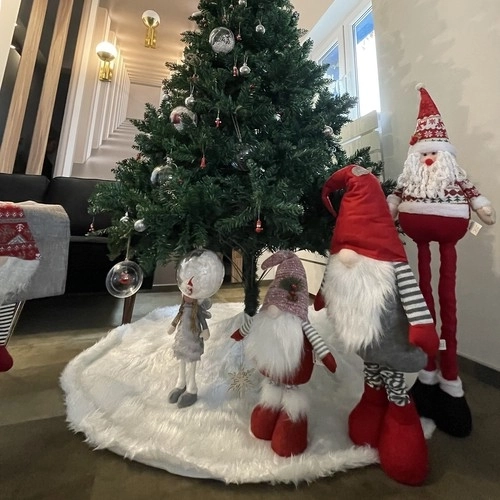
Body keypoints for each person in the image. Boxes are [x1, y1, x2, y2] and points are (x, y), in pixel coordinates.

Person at [315, 165, 439, 486]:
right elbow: (333, 281)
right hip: (368, 345)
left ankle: (401, 423)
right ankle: (372, 406)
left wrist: (422, 326)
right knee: (372, 374)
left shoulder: (392, 265)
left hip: (393, 344)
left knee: (393, 383)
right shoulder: (343, 263)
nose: (348, 255)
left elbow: (412, 295)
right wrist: (324, 296)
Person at [387, 84, 496, 438]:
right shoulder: (409, 175)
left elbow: (472, 192)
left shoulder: (454, 173)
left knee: (446, 302)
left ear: (444, 153)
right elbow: (396, 194)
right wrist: (390, 207)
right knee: (424, 302)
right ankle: (427, 372)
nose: (430, 158)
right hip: (419, 237)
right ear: (416, 155)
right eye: (426, 152)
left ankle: (450, 377)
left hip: (450, 237)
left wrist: (482, 207)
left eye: (435, 151)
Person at [232, 250, 337, 457]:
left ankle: (292, 424)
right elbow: (248, 326)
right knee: (269, 396)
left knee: (291, 408)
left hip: (293, 377)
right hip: (271, 373)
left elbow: (317, 342)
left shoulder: (301, 324)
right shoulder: (264, 317)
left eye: (282, 304)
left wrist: (327, 357)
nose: (274, 310)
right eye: (273, 302)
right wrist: (240, 333)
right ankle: (269, 411)